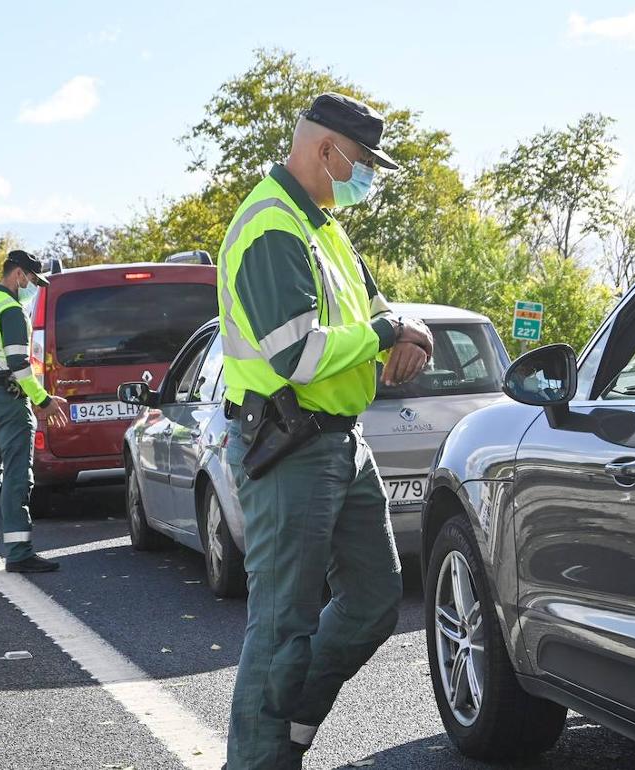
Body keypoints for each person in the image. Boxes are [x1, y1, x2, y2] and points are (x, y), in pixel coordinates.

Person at [217, 93, 433, 768]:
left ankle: (288, 731)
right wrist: (383, 332)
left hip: (341, 439)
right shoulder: (272, 226)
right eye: (362, 162)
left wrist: (406, 327)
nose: (365, 175)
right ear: (324, 150)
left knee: (372, 601)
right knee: (282, 627)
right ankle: (259, 758)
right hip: (289, 448)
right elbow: (298, 354)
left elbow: (375, 306)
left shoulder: (324, 225)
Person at [0, 250, 70, 573]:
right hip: (9, 402)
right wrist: (43, 400)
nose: (34, 286)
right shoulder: (10, 310)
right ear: (19, 274)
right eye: (33, 280)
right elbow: (20, 366)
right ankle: (19, 551)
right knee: (17, 476)